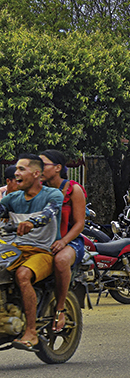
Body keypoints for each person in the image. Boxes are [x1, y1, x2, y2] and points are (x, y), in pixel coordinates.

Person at [0, 154, 64, 352]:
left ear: (36, 173)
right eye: (16, 170)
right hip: (15, 248)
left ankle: (31, 332)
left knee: (23, 275)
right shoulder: (12, 198)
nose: (16, 173)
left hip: (41, 251)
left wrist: (31, 222)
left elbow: (49, 213)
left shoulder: (53, 195)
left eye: (21, 169)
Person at [39, 150, 87, 335]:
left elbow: (80, 223)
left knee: (60, 260)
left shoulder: (73, 189)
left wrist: (64, 241)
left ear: (58, 168)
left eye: (43, 165)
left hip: (70, 241)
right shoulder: (36, 188)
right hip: (41, 241)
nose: (39, 169)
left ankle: (60, 309)